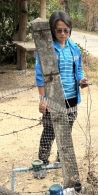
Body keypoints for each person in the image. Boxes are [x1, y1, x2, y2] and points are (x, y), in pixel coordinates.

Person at [35, 11, 88, 170]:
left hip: (72, 97)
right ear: (52, 30)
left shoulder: (74, 48)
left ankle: (61, 159)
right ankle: (42, 163)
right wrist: (43, 99)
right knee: (50, 131)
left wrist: (82, 80)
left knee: (66, 131)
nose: (63, 34)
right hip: (53, 98)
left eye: (66, 30)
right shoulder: (47, 50)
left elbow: (79, 70)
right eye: (59, 30)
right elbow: (40, 76)